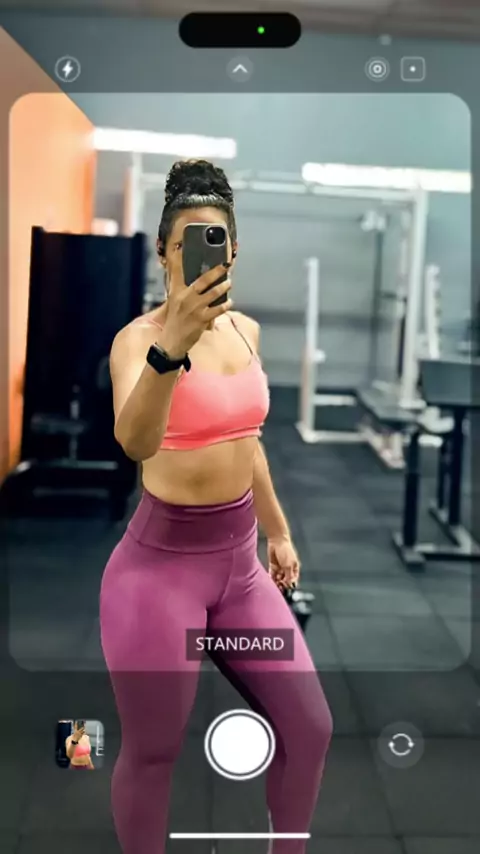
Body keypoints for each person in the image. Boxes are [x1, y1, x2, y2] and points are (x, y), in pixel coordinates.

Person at [100, 159, 332, 853]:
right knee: (154, 750)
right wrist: (170, 351)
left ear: (232, 253)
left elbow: (246, 439)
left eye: (217, 242)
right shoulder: (137, 342)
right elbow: (135, 442)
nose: (205, 255)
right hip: (158, 578)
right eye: (188, 242)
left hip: (239, 574)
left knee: (309, 728)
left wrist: (278, 531)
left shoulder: (245, 333)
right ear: (165, 252)